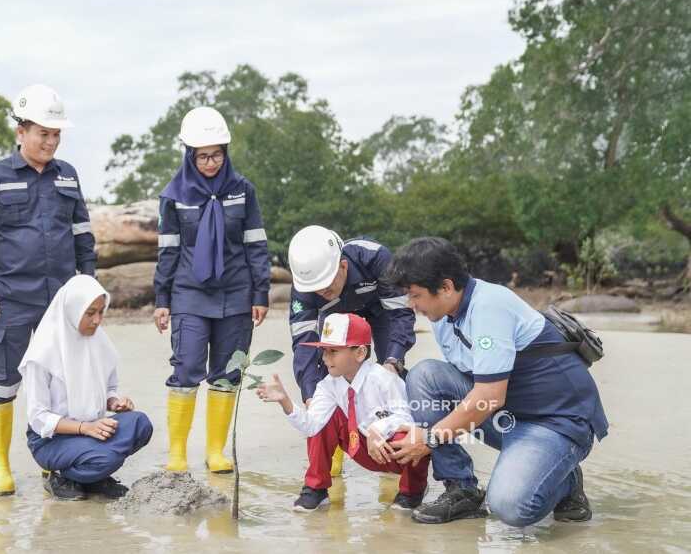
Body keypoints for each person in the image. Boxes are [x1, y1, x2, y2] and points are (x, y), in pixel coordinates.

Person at [385, 237, 608, 526]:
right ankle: (461, 488)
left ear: (446, 287)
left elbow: (489, 395)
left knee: (510, 507)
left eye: (415, 296)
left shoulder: (489, 306)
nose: (412, 305)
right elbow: (470, 386)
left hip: (557, 421)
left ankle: (565, 479)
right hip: (510, 414)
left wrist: (429, 438)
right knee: (425, 375)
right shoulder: (444, 316)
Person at [0, 84, 96, 495]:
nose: (51, 141)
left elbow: (83, 236)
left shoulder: (68, 175)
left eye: (57, 134)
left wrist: (90, 288)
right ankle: (1, 467)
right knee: (4, 381)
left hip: (61, 301)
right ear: (21, 131)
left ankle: (53, 460)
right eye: (44, 133)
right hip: (10, 299)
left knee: (62, 383)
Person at [153, 106, 271, 473]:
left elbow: (255, 244)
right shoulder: (174, 196)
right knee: (187, 366)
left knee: (227, 371)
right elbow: (168, 250)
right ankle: (177, 453)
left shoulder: (243, 191)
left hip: (237, 292)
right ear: (190, 155)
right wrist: (161, 300)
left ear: (225, 152)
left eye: (216, 155)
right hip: (189, 292)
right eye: (203, 156)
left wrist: (261, 293)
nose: (210, 163)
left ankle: (216, 451)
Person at [257, 313, 429, 512]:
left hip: (390, 449)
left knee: (412, 435)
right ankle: (316, 488)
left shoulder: (383, 378)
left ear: (359, 353)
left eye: (333, 351)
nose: (325, 358)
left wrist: (376, 429)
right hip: (361, 445)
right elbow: (311, 425)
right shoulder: (328, 385)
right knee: (323, 420)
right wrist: (285, 402)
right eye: (324, 351)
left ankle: (412, 491)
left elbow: (406, 419)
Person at [287, 225, 416, 477]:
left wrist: (393, 361)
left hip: (380, 313)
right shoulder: (304, 286)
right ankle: (332, 458)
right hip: (335, 319)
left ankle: (391, 454)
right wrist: (310, 394)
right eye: (316, 289)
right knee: (331, 370)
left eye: (327, 285)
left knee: (387, 377)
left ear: (343, 266)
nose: (322, 292)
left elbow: (399, 315)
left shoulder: (377, 258)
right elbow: (303, 342)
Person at [20, 275, 153, 501]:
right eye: (90, 313)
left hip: (93, 426)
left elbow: (109, 388)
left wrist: (114, 402)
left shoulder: (98, 342)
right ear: (72, 310)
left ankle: (91, 475)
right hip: (52, 439)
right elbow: (38, 418)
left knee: (140, 423)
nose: (97, 320)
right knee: (107, 458)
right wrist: (85, 428)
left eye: (101, 312)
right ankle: (62, 477)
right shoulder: (42, 355)